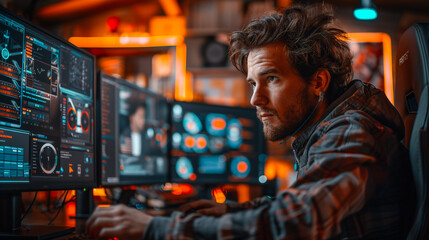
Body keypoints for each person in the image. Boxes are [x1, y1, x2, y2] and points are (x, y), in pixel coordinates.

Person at [86, 4, 415, 239]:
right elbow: (296, 203)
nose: (254, 100)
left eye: (271, 79)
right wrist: (230, 212)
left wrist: (153, 229)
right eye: (252, 84)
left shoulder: (352, 131)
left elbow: (297, 223)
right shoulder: (333, 129)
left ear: (318, 82)